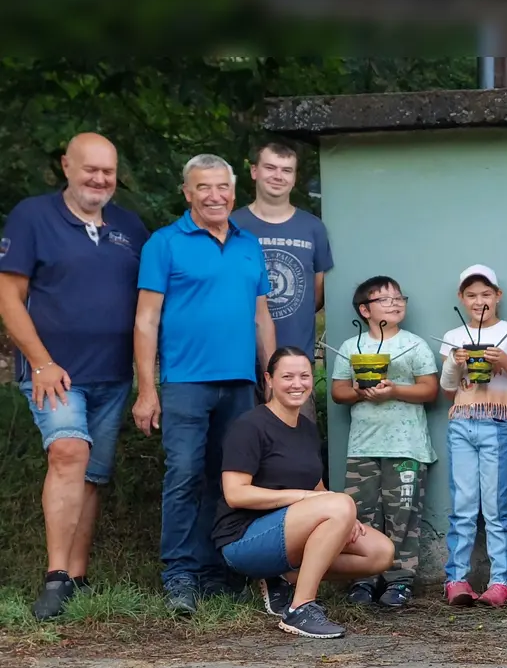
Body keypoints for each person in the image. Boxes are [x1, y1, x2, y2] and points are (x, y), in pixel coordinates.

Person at [0, 133, 149, 619]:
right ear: (66, 165)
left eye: (108, 171)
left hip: (112, 374)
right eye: (90, 169)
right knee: (68, 451)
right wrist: (41, 362)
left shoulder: (130, 226)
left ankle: (78, 577)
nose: (100, 180)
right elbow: (8, 297)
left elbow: (150, 303)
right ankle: (55, 576)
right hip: (54, 373)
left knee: (91, 475)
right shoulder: (32, 217)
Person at [133, 153, 276, 616]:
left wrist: (269, 374)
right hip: (184, 383)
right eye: (203, 188)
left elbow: (262, 317)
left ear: (234, 191)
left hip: (240, 384)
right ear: (187, 192)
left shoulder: (249, 244)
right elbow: (146, 319)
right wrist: (147, 389)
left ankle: (218, 570)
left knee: (228, 479)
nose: (214, 196)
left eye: (222, 187)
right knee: (184, 476)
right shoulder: (164, 243)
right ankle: (179, 573)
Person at [216, 347, 393, 639]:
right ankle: (300, 608)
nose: (297, 384)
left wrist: (344, 516)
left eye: (304, 376)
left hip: (289, 533)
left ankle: (283, 578)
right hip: (244, 539)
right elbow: (236, 494)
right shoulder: (249, 426)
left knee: (380, 553)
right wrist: (317, 501)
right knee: (340, 505)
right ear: (269, 380)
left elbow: (317, 488)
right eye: (287, 376)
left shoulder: (307, 429)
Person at [329, 275, 439, 609]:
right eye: (385, 299)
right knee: (361, 517)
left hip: (407, 446)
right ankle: (363, 578)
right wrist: (361, 392)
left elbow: (429, 390)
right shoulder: (351, 347)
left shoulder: (414, 344)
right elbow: (338, 391)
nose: (395, 303)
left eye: (399, 298)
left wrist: (395, 391)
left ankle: (400, 581)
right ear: (364, 309)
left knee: (403, 516)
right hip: (362, 447)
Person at [438, 264, 507, 607]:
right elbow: (449, 391)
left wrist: (505, 361)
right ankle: (456, 579)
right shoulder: (453, 336)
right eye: (471, 295)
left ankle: (501, 582)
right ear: (461, 299)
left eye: (486, 294)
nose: (479, 301)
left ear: (498, 296)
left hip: (498, 422)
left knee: (495, 507)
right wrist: (454, 362)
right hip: (462, 423)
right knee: (463, 506)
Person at [231, 141, 333, 411]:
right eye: (270, 168)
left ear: (294, 177)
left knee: (297, 443)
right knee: (242, 444)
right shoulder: (232, 225)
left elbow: (317, 292)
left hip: (295, 362)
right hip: (239, 361)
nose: (278, 176)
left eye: (286, 170)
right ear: (254, 171)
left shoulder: (313, 228)